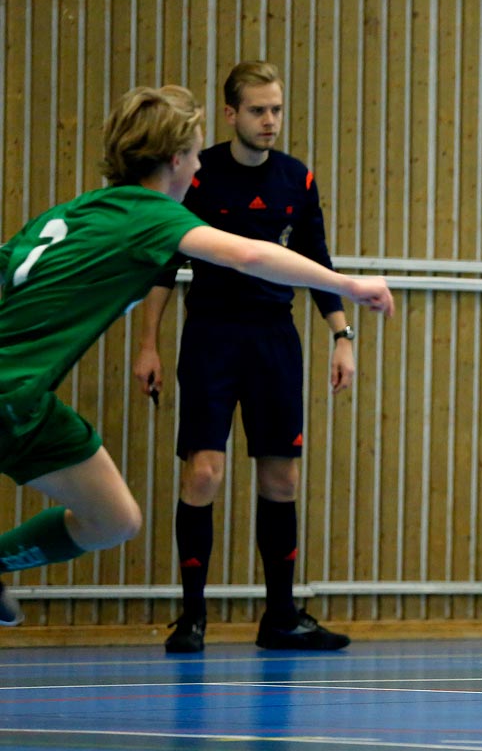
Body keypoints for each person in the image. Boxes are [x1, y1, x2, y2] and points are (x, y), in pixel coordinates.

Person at [0, 86, 393, 631]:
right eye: (195, 152)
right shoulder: (153, 216)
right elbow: (250, 254)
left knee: (114, 519)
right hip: (9, 392)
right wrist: (348, 284)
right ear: (177, 160)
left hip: (29, 405)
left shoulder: (71, 214)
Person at [132, 62, 359, 654]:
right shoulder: (198, 174)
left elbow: (316, 260)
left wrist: (342, 334)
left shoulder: (296, 180)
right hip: (211, 335)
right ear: (231, 114)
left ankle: (280, 616)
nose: (270, 121)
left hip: (273, 340)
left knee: (281, 476)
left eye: (277, 110)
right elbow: (163, 263)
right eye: (258, 110)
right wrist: (148, 345)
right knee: (204, 471)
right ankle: (191, 617)